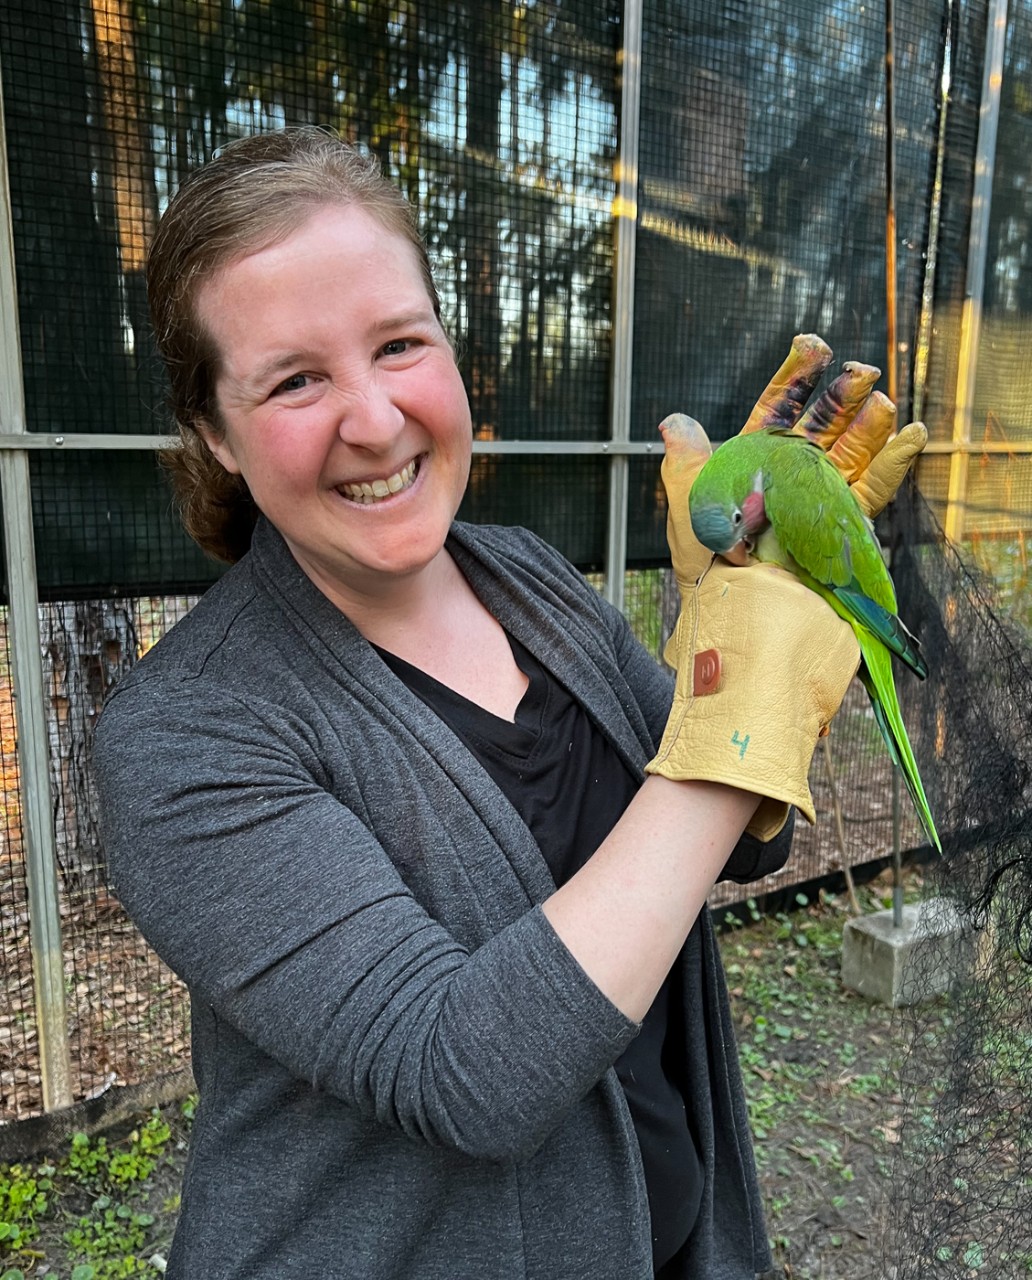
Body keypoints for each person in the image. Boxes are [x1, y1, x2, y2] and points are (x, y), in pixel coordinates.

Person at [93, 127, 927, 1279]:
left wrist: (748, 605)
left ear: (451, 348)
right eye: (295, 378)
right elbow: (465, 1072)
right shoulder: (185, 736)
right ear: (214, 434)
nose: (376, 421)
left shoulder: (528, 574)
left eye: (399, 343)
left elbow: (713, 846)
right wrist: (741, 718)